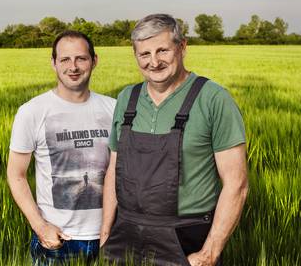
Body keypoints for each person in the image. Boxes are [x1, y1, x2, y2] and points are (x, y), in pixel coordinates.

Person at [101, 14, 249, 266]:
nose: (154, 62)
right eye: (144, 54)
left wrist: (209, 253)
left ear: (182, 47)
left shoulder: (213, 99)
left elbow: (237, 183)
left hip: (186, 238)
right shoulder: (128, 98)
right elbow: (114, 169)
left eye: (162, 50)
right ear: (135, 55)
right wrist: (105, 235)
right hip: (125, 235)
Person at [7, 30, 116, 265]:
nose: (73, 66)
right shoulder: (32, 112)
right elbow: (16, 175)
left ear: (94, 61)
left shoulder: (114, 109)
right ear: (54, 63)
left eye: (81, 58)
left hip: (110, 238)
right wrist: (40, 226)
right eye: (65, 59)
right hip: (57, 240)